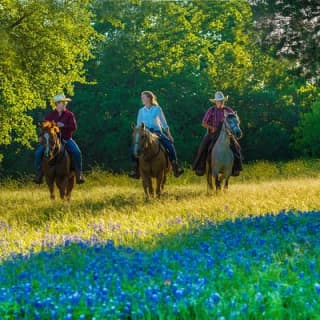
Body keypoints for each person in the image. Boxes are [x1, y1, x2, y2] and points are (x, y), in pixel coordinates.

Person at [129, 90, 184, 179]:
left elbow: (164, 123)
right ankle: (135, 169)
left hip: (156, 132)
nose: (142, 99)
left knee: (169, 145)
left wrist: (169, 135)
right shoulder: (141, 111)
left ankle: (175, 167)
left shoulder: (157, 109)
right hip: (144, 133)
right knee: (133, 147)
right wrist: (138, 131)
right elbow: (139, 124)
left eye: (144, 97)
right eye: (142, 97)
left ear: (149, 98)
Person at [34, 93, 85, 184]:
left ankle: (79, 173)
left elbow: (74, 127)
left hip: (66, 138)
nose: (64, 104)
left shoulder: (69, 114)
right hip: (51, 140)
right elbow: (45, 128)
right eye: (62, 102)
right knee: (38, 153)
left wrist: (64, 125)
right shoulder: (50, 116)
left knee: (77, 152)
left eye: (64, 102)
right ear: (56, 104)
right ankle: (39, 173)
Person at [192, 91, 243, 176]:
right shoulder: (211, 110)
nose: (221, 102)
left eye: (222, 100)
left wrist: (234, 127)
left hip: (227, 133)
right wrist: (212, 128)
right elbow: (204, 123)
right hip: (212, 133)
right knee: (203, 146)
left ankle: (236, 168)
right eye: (219, 101)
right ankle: (200, 167)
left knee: (237, 147)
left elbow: (235, 120)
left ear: (224, 101)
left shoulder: (228, 110)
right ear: (215, 102)